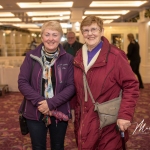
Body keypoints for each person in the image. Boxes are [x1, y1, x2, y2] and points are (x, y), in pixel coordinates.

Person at [71, 15, 139, 150]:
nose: (90, 33)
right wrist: (73, 108)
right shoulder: (78, 56)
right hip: (84, 120)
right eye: (86, 30)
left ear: (102, 31)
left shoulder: (115, 56)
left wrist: (125, 115)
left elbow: (131, 85)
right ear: (82, 33)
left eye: (94, 29)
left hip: (108, 121)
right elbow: (76, 86)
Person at [18, 21, 75, 150]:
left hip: (59, 110)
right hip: (34, 110)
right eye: (47, 34)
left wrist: (51, 103)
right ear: (41, 36)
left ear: (60, 37)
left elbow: (71, 86)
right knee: (38, 147)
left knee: (58, 146)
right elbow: (22, 82)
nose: (50, 38)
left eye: (54, 35)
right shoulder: (30, 56)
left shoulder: (69, 59)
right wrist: (42, 103)